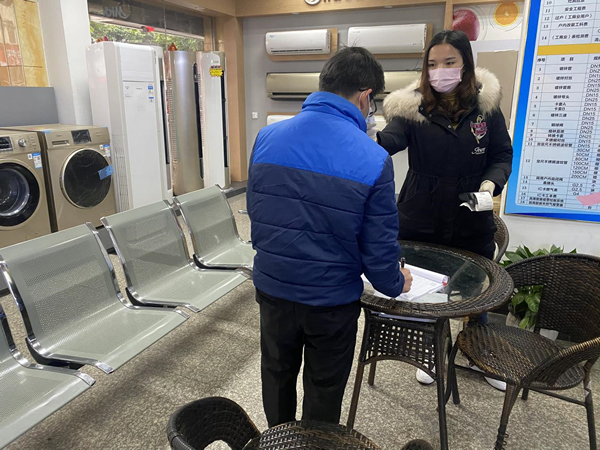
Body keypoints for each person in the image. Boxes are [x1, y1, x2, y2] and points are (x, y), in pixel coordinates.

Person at [246, 46, 413, 427]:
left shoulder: (267, 137)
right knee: (323, 388)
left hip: (273, 288)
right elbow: (378, 249)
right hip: (331, 301)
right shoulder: (373, 158)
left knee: (276, 372)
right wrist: (396, 281)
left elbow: (257, 212)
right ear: (365, 97)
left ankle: (278, 442)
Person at [372, 30, 513, 388]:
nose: (440, 71)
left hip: (471, 213)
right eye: (432, 64)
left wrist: (490, 184)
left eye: (449, 62)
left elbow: (501, 154)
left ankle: (479, 352)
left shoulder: (485, 107)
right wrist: (370, 134)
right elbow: (390, 141)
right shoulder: (412, 106)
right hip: (422, 210)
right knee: (427, 286)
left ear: (465, 64)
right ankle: (430, 350)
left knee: (478, 287)